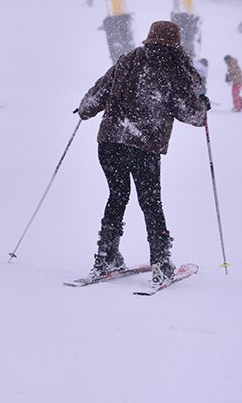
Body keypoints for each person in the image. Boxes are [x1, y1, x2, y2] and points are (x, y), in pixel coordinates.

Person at [76, 20, 208, 287]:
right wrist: (203, 106)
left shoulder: (128, 59)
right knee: (150, 202)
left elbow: (95, 96)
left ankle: (105, 256)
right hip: (143, 145)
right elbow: (191, 114)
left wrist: (84, 110)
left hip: (110, 141)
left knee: (117, 195)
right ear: (176, 42)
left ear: (149, 37)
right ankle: (160, 263)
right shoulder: (175, 69)